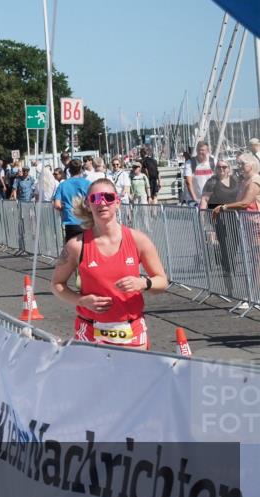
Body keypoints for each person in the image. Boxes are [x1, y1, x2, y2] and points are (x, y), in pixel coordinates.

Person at [51, 178, 167, 350]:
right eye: (95, 198)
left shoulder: (138, 240)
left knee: (134, 377)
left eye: (108, 197)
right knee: (94, 377)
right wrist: (81, 300)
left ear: (118, 202)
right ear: (88, 204)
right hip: (90, 331)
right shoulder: (76, 245)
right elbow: (56, 284)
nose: (102, 203)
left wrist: (143, 283)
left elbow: (162, 281)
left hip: (131, 331)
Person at [201, 160, 241, 282]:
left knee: (235, 241)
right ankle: (228, 268)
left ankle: (226, 260)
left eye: (224, 167)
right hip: (218, 216)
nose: (222, 169)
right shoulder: (211, 182)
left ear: (229, 168)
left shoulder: (235, 180)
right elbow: (204, 199)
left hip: (235, 215)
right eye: (219, 167)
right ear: (216, 169)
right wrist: (202, 215)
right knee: (223, 241)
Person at [52, 159, 91, 242]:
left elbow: (57, 205)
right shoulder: (87, 183)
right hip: (85, 220)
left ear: (69, 170)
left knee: (72, 250)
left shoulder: (62, 185)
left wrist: (65, 207)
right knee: (86, 249)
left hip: (70, 221)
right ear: (81, 169)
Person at [183, 141, 216, 207]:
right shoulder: (190, 163)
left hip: (210, 199)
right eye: (199, 150)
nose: (200, 152)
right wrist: (195, 200)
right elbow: (188, 182)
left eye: (203, 150)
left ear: (207, 151)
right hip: (195, 200)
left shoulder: (213, 161)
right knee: (198, 217)